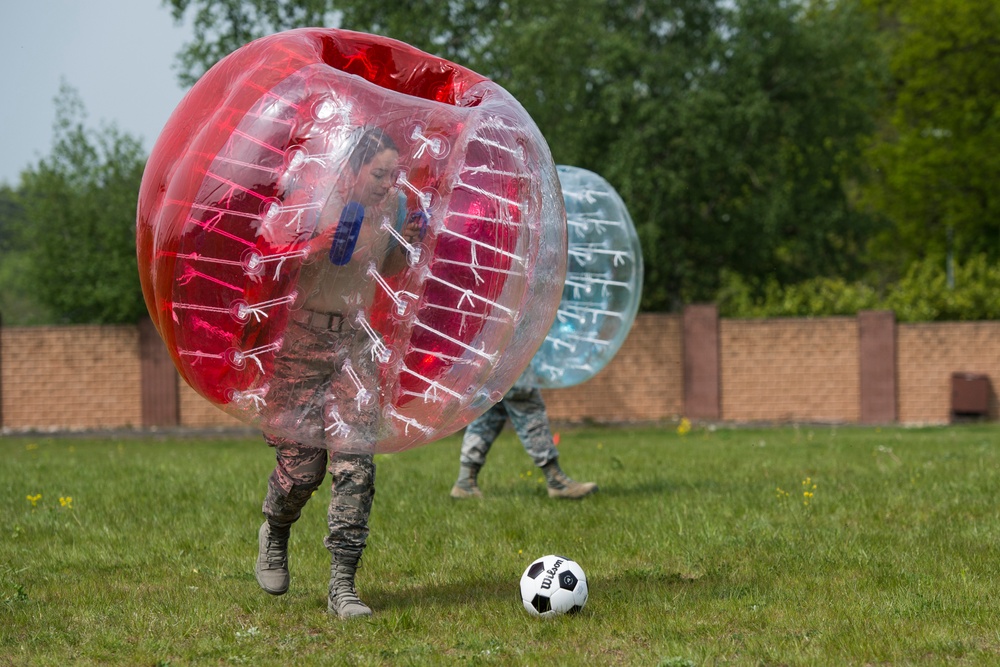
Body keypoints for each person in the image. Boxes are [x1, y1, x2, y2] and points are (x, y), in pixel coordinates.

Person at [254, 127, 424, 619]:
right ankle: (276, 529)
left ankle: (343, 588)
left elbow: (380, 267)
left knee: (355, 466)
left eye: (393, 174)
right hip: (303, 342)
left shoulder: (390, 210)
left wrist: (403, 244)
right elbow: (273, 262)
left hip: (356, 343)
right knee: (302, 470)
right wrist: (319, 244)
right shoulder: (313, 202)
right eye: (378, 174)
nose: (388, 184)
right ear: (351, 170)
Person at [450, 382, 598, 500]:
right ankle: (556, 480)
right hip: (510, 351)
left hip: (492, 353)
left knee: (491, 407)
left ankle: (465, 481)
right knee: (525, 398)